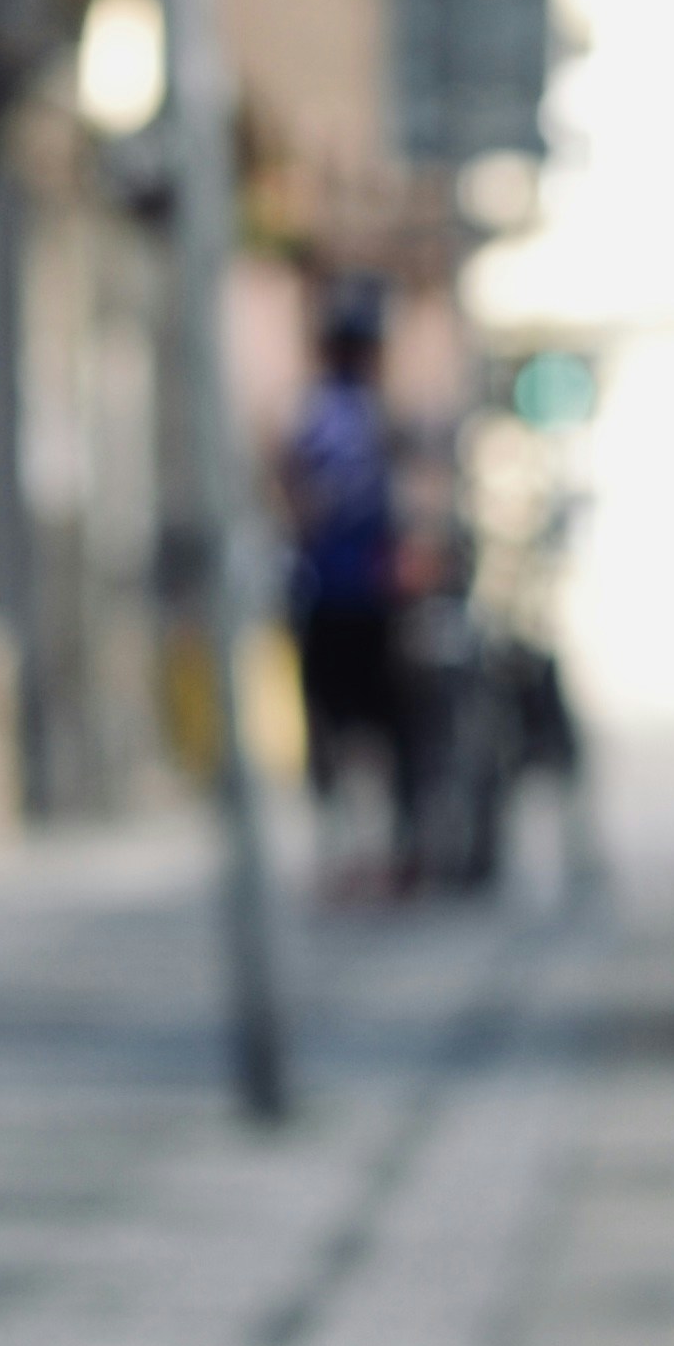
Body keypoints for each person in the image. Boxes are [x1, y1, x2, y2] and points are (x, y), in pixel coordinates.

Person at [280, 276, 405, 890]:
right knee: (368, 731)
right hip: (357, 592)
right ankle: (364, 852)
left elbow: (294, 494)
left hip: (331, 591)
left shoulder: (317, 415)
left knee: (338, 729)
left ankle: (348, 853)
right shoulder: (360, 418)